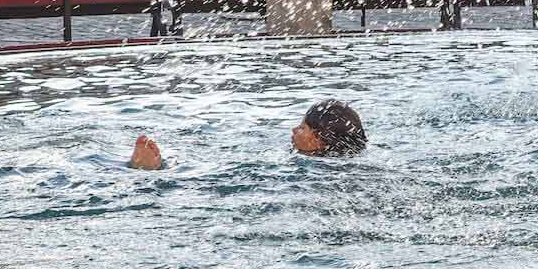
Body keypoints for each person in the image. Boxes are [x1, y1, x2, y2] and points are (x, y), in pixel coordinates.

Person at [129, 99, 367, 170]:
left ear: (317, 140)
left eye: (302, 127)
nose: (294, 131)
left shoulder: (300, 169)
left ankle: (149, 169)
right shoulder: (354, 165)